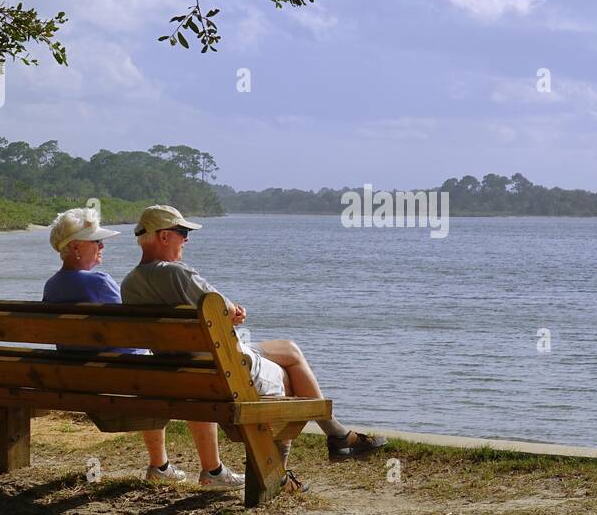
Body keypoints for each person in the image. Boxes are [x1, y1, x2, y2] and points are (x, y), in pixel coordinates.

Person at [121, 205, 386, 491]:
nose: (186, 239)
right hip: (222, 367)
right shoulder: (176, 274)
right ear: (163, 237)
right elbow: (221, 307)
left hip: (186, 372)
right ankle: (279, 476)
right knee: (286, 377)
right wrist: (234, 311)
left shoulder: (129, 284)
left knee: (290, 349)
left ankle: (337, 435)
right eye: (182, 232)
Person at [41, 207, 246, 491]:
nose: (102, 246)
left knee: (149, 365)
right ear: (75, 247)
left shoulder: (51, 286)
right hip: (122, 376)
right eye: (96, 241)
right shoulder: (98, 282)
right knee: (191, 375)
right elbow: (137, 325)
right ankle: (212, 469)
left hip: (78, 377)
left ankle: (160, 466)